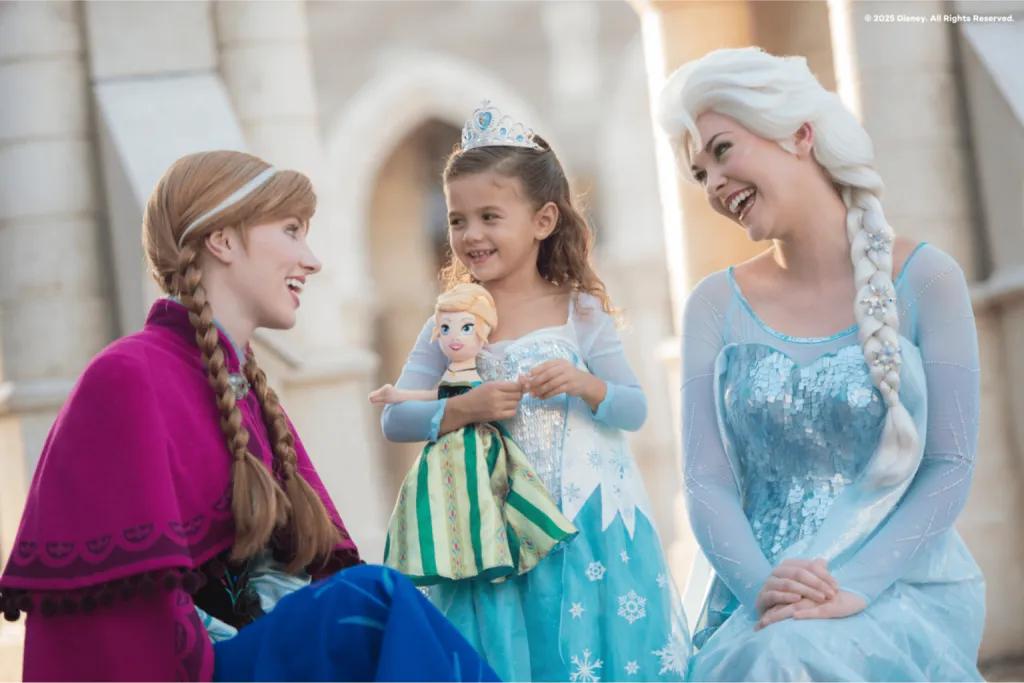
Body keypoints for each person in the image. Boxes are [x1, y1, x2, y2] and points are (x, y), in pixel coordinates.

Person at [0, 150, 499, 682]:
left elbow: (310, 576)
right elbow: (128, 622)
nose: (311, 260)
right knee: (374, 598)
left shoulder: (246, 390)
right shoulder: (128, 376)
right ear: (223, 240)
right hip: (201, 672)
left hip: (268, 659)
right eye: (290, 231)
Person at [658, 47, 984, 680]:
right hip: (761, 598)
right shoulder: (712, 305)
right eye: (698, 175)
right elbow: (706, 482)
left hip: (895, 584)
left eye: (722, 151)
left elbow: (951, 464)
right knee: (773, 654)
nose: (714, 185)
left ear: (799, 134)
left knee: (792, 657)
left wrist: (852, 588)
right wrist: (764, 590)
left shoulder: (928, 280)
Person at [381, 102, 690, 682]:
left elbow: (635, 407)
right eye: (457, 220)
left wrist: (585, 383)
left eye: (490, 216)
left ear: (543, 220)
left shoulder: (580, 311)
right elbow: (396, 420)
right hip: (494, 538)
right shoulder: (450, 324)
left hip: (587, 532)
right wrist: (461, 408)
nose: (471, 235)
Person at [370, 283, 576, 586]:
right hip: (450, 461)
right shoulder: (444, 342)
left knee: (500, 495)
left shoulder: (573, 308)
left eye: (466, 328)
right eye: (446, 329)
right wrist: (459, 407)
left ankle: (500, 553)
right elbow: (397, 419)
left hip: (501, 460)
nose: (454, 337)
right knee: (447, 511)